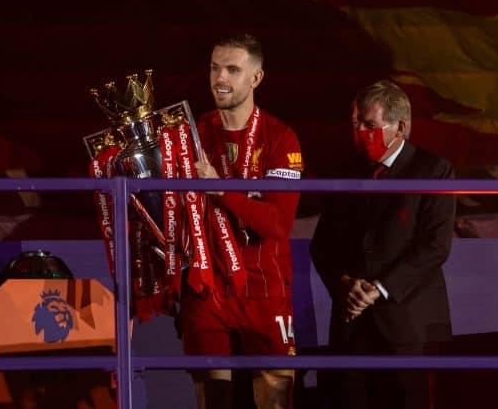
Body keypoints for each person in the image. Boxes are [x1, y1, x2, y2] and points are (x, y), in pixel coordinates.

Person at [310, 80, 456, 409]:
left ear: (400, 127)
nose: (360, 131)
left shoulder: (433, 170)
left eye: (370, 125)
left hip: (406, 324)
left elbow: (435, 245)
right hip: (350, 325)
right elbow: (322, 246)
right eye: (355, 123)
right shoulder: (343, 171)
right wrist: (343, 283)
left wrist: (378, 288)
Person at [181, 33, 304, 409]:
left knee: (273, 403)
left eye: (233, 70)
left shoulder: (281, 138)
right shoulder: (190, 133)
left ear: (256, 78)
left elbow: (278, 225)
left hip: (264, 286)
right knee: (212, 402)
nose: (220, 78)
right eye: (215, 68)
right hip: (208, 287)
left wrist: (221, 190)